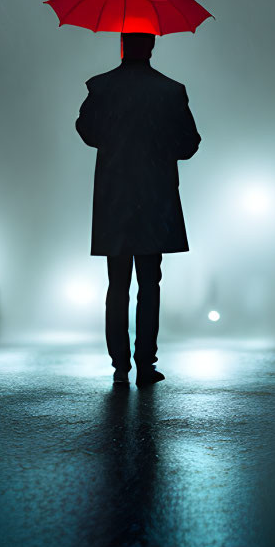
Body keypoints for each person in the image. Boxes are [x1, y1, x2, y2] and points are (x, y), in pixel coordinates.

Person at [76, 31, 201, 386]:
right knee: (150, 282)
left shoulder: (102, 88)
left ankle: (119, 365)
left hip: (115, 196)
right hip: (154, 196)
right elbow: (189, 144)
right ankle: (146, 362)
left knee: (117, 284)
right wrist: (159, 146)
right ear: (151, 47)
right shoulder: (170, 91)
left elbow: (86, 131)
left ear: (121, 47)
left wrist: (115, 140)